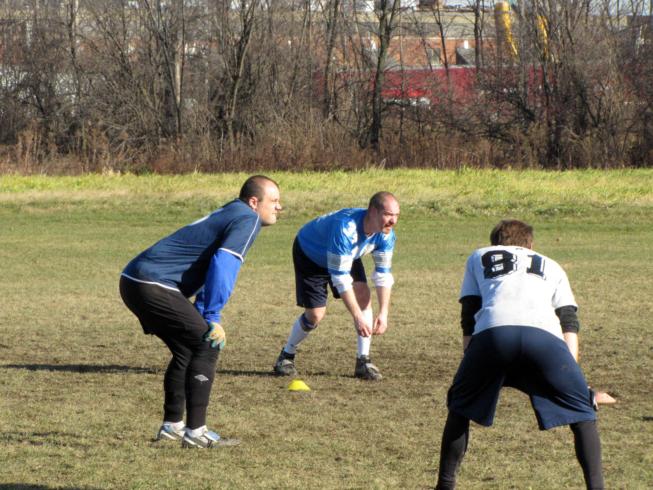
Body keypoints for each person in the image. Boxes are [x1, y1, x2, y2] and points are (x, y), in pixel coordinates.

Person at [435, 219, 604, 489]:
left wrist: (469, 360)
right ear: (530, 245)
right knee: (583, 413)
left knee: (459, 406)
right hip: (545, 339)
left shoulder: (479, 256)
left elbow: (470, 311)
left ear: (495, 243)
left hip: (493, 334)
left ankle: (445, 485)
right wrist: (573, 377)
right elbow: (568, 320)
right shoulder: (552, 264)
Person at [119, 175, 281, 448]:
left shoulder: (233, 212)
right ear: (254, 202)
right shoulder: (248, 219)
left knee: (186, 350)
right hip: (153, 284)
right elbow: (224, 263)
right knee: (208, 343)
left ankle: (172, 426)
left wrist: (205, 310)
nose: (279, 207)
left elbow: (211, 265)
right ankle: (196, 432)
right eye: (274, 200)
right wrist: (212, 316)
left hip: (133, 280)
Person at [273, 192, 399, 381]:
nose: (393, 221)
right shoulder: (346, 229)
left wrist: (383, 313)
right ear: (373, 211)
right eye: (388, 214)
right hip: (311, 254)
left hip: (346, 254)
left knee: (363, 295)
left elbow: (383, 275)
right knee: (315, 315)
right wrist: (357, 317)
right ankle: (286, 355)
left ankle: (363, 361)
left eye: (397, 215)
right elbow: (340, 278)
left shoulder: (386, 234)